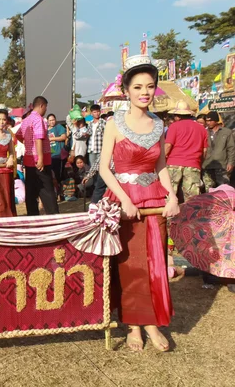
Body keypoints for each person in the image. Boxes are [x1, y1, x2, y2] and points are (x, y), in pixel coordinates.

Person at [99, 55, 179, 352]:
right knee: (131, 265)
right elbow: (105, 168)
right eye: (138, 87)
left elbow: (161, 166)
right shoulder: (113, 123)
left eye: (150, 86)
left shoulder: (159, 124)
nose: (144, 92)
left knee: (155, 263)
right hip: (124, 203)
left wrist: (171, 196)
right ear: (127, 90)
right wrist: (124, 200)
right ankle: (134, 324)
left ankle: (152, 323)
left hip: (155, 201)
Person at [15, 96, 59, 216]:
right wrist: (40, 158)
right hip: (40, 158)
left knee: (31, 189)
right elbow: (39, 138)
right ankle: (53, 214)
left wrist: (27, 143)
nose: (46, 109)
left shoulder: (26, 120)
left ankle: (32, 214)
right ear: (41, 105)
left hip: (29, 159)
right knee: (47, 189)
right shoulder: (38, 119)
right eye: (45, 107)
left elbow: (18, 135)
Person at [165, 100, 208, 202]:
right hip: (193, 164)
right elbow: (204, 151)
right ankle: (191, 217)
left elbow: (168, 145)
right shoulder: (202, 129)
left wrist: (162, 159)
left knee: (170, 193)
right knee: (192, 196)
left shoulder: (174, 126)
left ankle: (169, 217)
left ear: (177, 116)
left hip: (174, 163)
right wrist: (199, 162)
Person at [202, 111, 234, 189]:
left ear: (216, 121)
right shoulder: (203, 132)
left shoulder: (227, 132)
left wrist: (231, 163)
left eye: (210, 121)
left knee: (223, 188)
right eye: (207, 121)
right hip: (207, 165)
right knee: (208, 189)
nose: (208, 123)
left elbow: (231, 148)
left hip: (222, 165)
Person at [47, 113, 67, 188]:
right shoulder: (45, 130)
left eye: (53, 120)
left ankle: (59, 190)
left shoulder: (59, 127)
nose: (52, 122)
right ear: (48, 121)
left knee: (57, 173)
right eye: (50, 120)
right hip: (49, 155)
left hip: (58, 154)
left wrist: (51, 139)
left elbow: (63, 137)